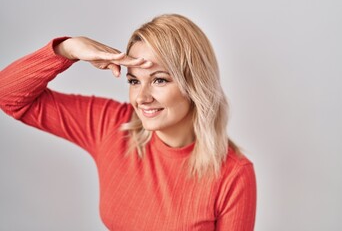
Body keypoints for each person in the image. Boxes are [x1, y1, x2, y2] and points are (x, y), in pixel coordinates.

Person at [0, 14, 256, 230]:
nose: (142, 97)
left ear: (194, 85)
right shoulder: (110, 125)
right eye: (134, 81)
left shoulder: (233, 174)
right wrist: (68, 49)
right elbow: (8, 95)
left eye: (159, 79)